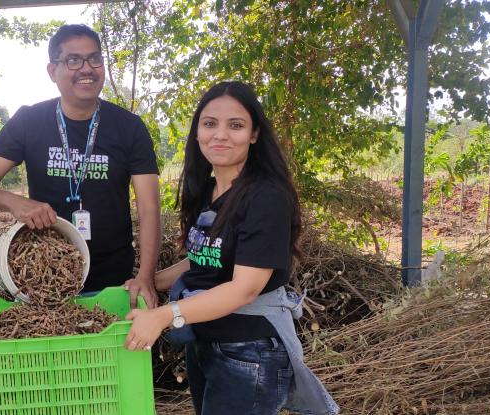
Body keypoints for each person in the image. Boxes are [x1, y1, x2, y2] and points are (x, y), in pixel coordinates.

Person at [124, 82, 338, 415]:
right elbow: (201, 260)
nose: (220, 134)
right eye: (210, 124)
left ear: (254, 134)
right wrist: (148, 281)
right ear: (197, 131)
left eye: (235, 125)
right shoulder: (207, 191)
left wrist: (165, 315)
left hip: (249, 351)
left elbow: (244, 288)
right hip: (207, 341)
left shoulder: (265, 196)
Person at [0, 24, 161, 307]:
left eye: (95, 59)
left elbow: (149, 207)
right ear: (52, 70)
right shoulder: (29, 121)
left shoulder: (129, 128)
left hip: (114, 281)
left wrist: (146, 276)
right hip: (43, 274)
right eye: (73, 60)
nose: (87, 68)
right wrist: (17, 204)